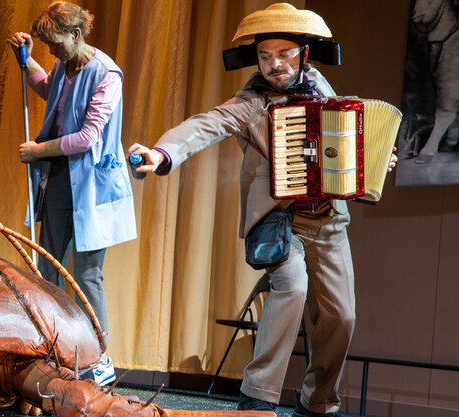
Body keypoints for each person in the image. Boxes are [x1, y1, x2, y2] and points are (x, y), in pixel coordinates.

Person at [128, 4, 396, 417]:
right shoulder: (252, 103)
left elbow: (347, 150)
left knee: (341, 317)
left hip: (330, 222)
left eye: (285, 54)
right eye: (265, 56)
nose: (275, 65)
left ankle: (317, 401)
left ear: (305, 54)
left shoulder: (326, 93)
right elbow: (206, 124)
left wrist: (375, 160)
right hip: (280, 223)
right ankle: (258, 396)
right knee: (292, 287)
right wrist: (162, 152)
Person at [8, 2, 137, 386]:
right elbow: (51, 92)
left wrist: (36, 151)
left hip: (93, 185)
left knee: (86, 274)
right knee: (49, 267)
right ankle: (56, 347)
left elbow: (86, 138)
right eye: (46, 46)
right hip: (61, 180)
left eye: (55, 43)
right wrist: (27, 60)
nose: (53, 51)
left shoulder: (106, 74)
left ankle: (99, 357)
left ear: (76, 34)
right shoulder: (66, 65)